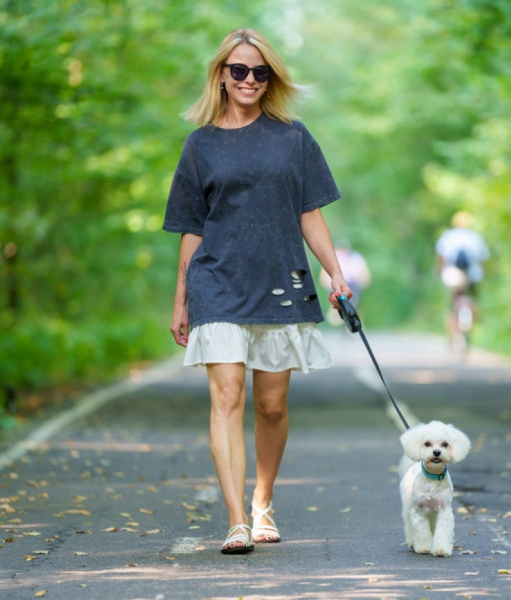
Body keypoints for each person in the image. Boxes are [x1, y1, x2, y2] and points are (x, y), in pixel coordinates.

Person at [163, 28, 352, 555]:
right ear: (222, 75)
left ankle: (263, 502)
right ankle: (236, 520)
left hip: (280, 281)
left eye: (260, 72)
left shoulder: (293, 137)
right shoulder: (199, 144)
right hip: (217, 283)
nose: (249, 79)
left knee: (271, 405)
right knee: (227, 396)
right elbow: (191, 228)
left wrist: (335, 273)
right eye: (240, 70)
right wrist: (180, 298)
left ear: (271, 78)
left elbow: (309, 212)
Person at [435, 211, 489, 344]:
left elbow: (441, 257)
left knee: (452, 301)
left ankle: (452, 331)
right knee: (473, 299)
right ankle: (470, 324)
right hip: (472, 274)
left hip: (452, 274)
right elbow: (484, 258)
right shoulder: (475, 237)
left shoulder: (448, 236)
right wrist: (485, 272)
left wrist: (439, 269)